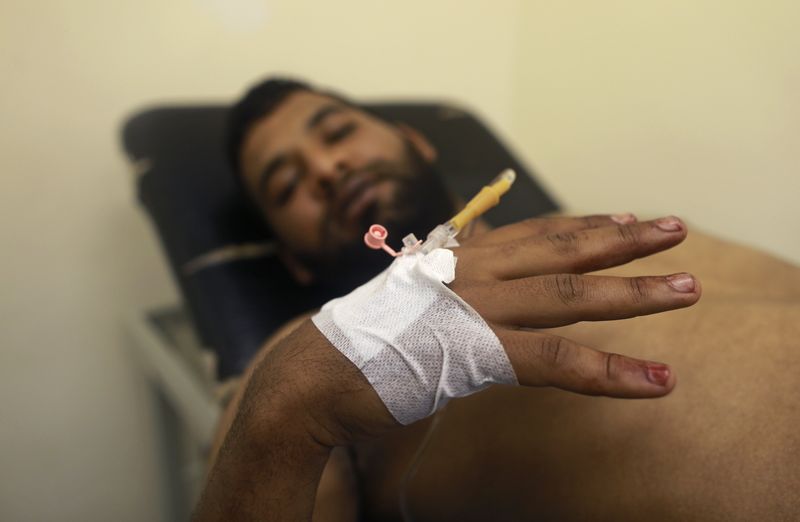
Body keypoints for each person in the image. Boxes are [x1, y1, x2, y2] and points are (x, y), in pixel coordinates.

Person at [195, 79, 800, 521]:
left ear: (417, 143)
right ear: (291, 257)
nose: (326, 167)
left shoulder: (604, 230)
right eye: (287, 184)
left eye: (337, 132)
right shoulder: (312, 354)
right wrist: (286, 402)